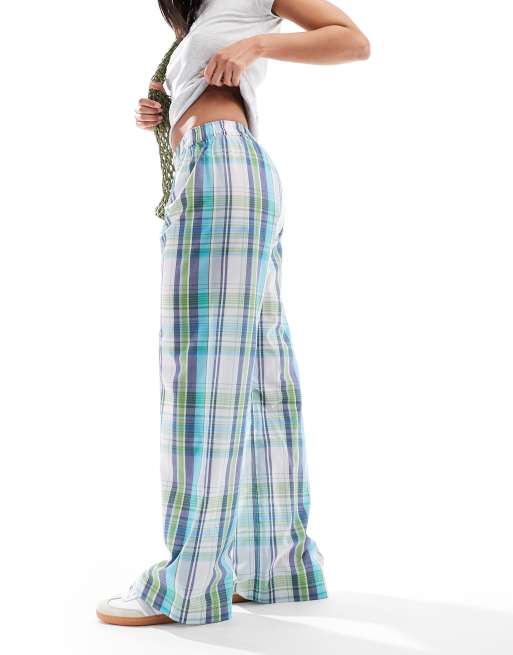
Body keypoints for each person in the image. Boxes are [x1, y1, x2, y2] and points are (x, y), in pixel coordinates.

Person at [97, 0, 370, 627]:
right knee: (260, 374)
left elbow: (353, 41)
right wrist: (165, 114)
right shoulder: (198, 22)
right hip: (227, 168)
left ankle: (190, 582)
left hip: (221, 168)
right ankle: (276, 567)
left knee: (202, 378)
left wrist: (258, 47)